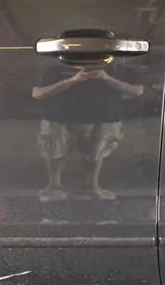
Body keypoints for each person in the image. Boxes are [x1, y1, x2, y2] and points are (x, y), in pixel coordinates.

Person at [32, 58, 144, 201]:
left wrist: (106, 78)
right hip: (59, 117)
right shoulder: (56, 68)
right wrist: (74, 79)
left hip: (103, 118)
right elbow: (38, 93)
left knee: (96, 152)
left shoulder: (119, 69)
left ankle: (92, 186)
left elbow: (137, 91)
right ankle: (54, 186)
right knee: (55, 151)